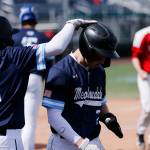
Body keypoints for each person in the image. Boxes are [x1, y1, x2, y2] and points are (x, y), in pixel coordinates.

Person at [0, 15, 96, 150]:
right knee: (30, 120)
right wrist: (72, 24)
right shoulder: (13, 55)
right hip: (6, 140)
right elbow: (57, 46)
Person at [42, 22, 123, 150]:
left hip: (92, 142)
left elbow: (99, 102)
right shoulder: (61, 72)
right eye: (101, 55)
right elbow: (54, 117)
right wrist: (81, 143)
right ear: (88, 50)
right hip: (64, 144)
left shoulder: (99, 71)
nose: (103, 61)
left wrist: (107, 117)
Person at [12, 5, 53, 150]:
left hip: (15, 79)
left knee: (11, 117)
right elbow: (49, 65)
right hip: (35, 79)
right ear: (35, 19)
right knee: (29, 121)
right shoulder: (42, 37)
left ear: (22, 19)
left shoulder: (14, 36)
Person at [131, 26, 150, 150]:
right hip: (146, 75)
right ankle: (140, 132)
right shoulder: (142, 34)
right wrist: (140, 71)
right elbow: (135, 56)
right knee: (148, 107)